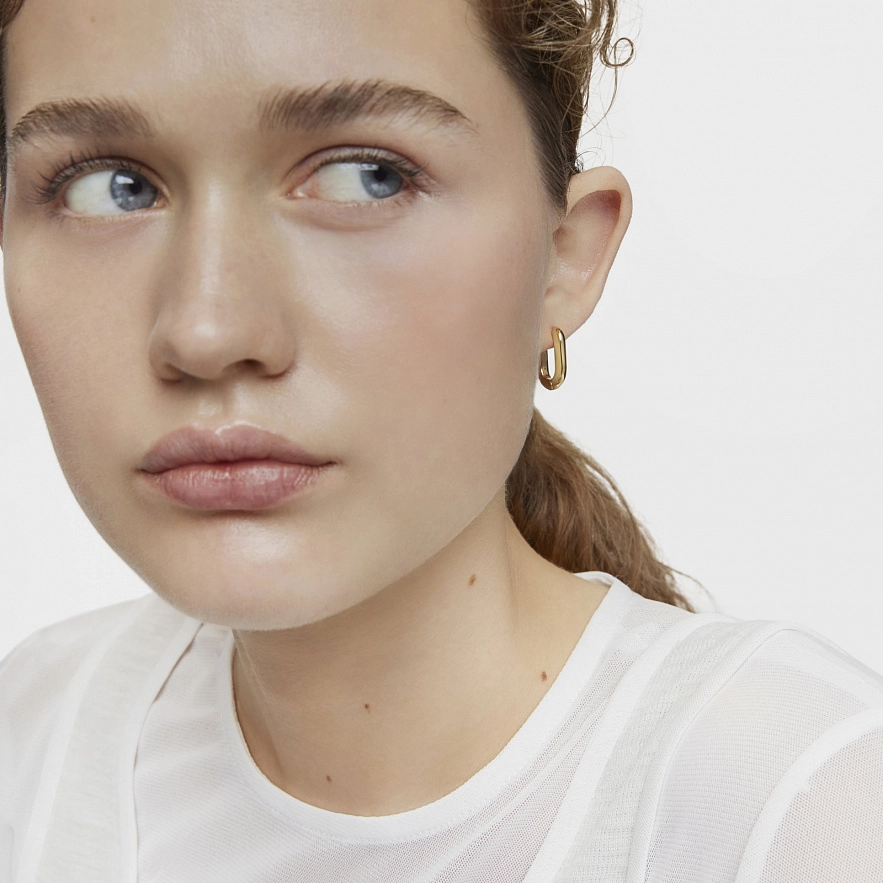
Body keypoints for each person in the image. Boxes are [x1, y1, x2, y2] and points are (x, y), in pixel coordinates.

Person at [0, 0, 881, 880]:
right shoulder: (31, 736)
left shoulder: (806, 806)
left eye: (366, 177)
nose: (207, 330)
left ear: (566, 255)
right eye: (107, 187)